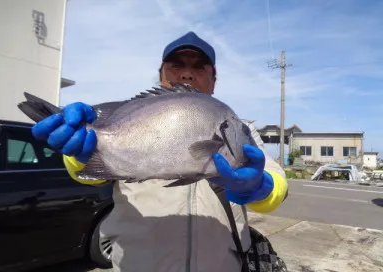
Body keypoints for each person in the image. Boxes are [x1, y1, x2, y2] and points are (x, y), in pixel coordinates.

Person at [32, 31, 288, 272]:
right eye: (176, 64)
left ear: (214, 80)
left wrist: (259, 187)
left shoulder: (237, 128)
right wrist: (79, 156)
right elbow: (91, 175)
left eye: (199, 66)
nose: (187, 73)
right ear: (161, 74)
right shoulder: (135, 115)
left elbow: (278, 186)